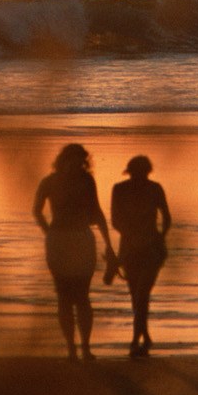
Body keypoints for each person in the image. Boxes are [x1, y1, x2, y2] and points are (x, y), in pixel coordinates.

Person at [32, 143, 114, 360]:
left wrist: (108, 244)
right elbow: (37, 211)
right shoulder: (49, 182)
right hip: (59, 240)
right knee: (64, 296)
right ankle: (71, 347)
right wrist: (48, 232)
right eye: (72, 161)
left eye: (80, 162)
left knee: (82, 296)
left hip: (80, 238)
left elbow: (96, 211)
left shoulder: (87, 181)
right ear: (63, 160)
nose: (76, 165)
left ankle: (85, 347)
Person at [109, 154, 172, 358]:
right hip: (139, 247)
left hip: (141, 248)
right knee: (138, 295)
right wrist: (157, 237)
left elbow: (116, 221)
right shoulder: (143, 188)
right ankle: (143, 337)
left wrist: (154, 237)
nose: (138, 177)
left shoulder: (143, 189)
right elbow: (167, 219)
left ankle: (137, 339)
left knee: (140, 295)